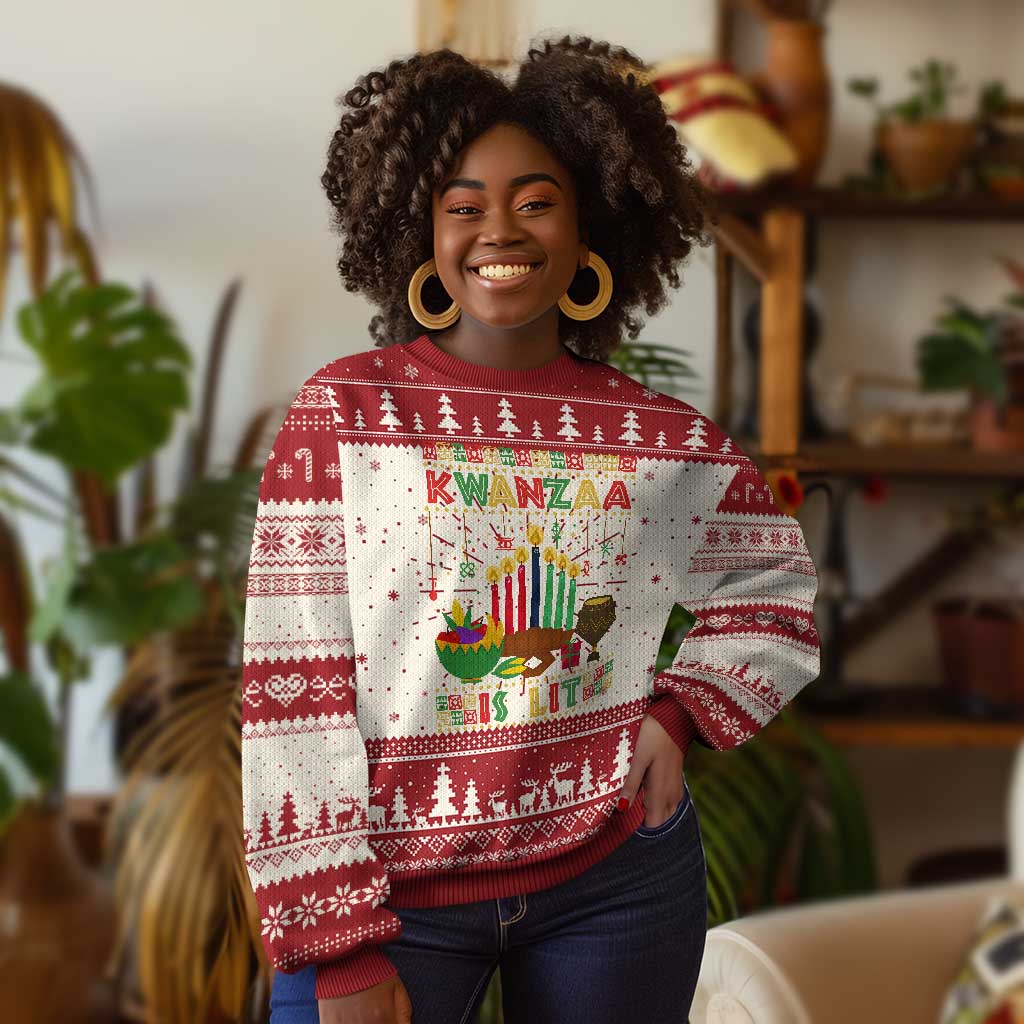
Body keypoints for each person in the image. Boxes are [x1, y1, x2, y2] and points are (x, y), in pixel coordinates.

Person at [241, 34, 821, 1024]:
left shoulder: (656, 436)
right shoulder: (346, 414)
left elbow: (775, 589)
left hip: (618, 879)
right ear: (419, 231)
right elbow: (293, 688)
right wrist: (337, 948)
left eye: (534, 201)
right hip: (391, 895)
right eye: (462, 206)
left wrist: (677, 714)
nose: (497, 230)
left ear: (590, 223)